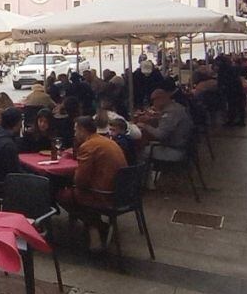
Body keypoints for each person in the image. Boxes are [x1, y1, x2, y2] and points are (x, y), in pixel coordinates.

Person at [59, 116, 128, 252]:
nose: (74, 134)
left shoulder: (88, 146)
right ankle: (96, 228)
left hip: (104, 195)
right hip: (122, 192)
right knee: (79, 193)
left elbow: (80, 181)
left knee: (62, 195)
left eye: (75, 130)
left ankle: (97, 227)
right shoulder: (106, 141)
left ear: (82, 130)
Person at [137, 88, 193, 163]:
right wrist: (156, 118)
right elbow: (168, 122)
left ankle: (148, 173)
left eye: (153, 101)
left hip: (176, 150)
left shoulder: (171, 113)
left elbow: (161, 135)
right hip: (183, 145)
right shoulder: (176, 107)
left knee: (140, 151)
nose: (153, 104)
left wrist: (145, 126)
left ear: (160, 99)